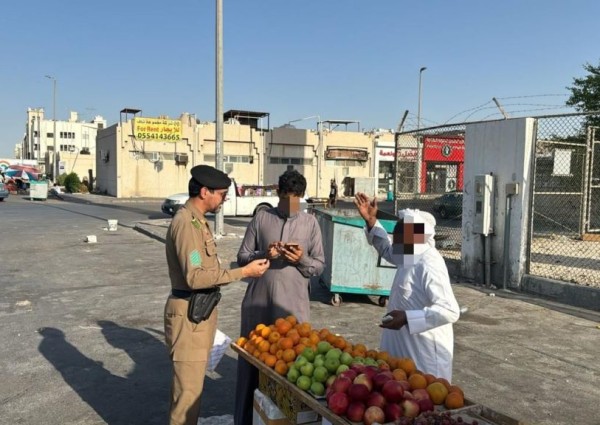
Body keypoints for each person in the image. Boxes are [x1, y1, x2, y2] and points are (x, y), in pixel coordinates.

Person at [164, 165, 270, 425]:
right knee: (186, 399)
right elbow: (196, 276)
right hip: (189, 318)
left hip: (199, 315)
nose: (224, 199)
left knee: (192, 393)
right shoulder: (187, 224)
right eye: (222, 194)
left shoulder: (197, 221)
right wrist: (243, 272)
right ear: (204, 192)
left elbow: (203, 268)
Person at [234, 170, 326, 425]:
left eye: (296, 199)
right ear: (278, 194)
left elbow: (318, 266)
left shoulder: (310, 224)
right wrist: (266, 253)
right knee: (251, 365)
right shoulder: (262, 219)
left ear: (302, 197)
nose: (290, 205)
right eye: (286, 198)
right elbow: (242, 257)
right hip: (258, 305)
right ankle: (243, 420)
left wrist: (301, 260)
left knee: (293, 368)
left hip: (293, 307)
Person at [354, 192, 460, 381]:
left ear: (414, 239)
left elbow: (450, 310)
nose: (395, 244)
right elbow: (387, 249)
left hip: (424, 358)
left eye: (399, 240)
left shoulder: (429, 263)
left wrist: (407, 318)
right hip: (402, 352)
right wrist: (371, 220)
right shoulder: (409, 254)